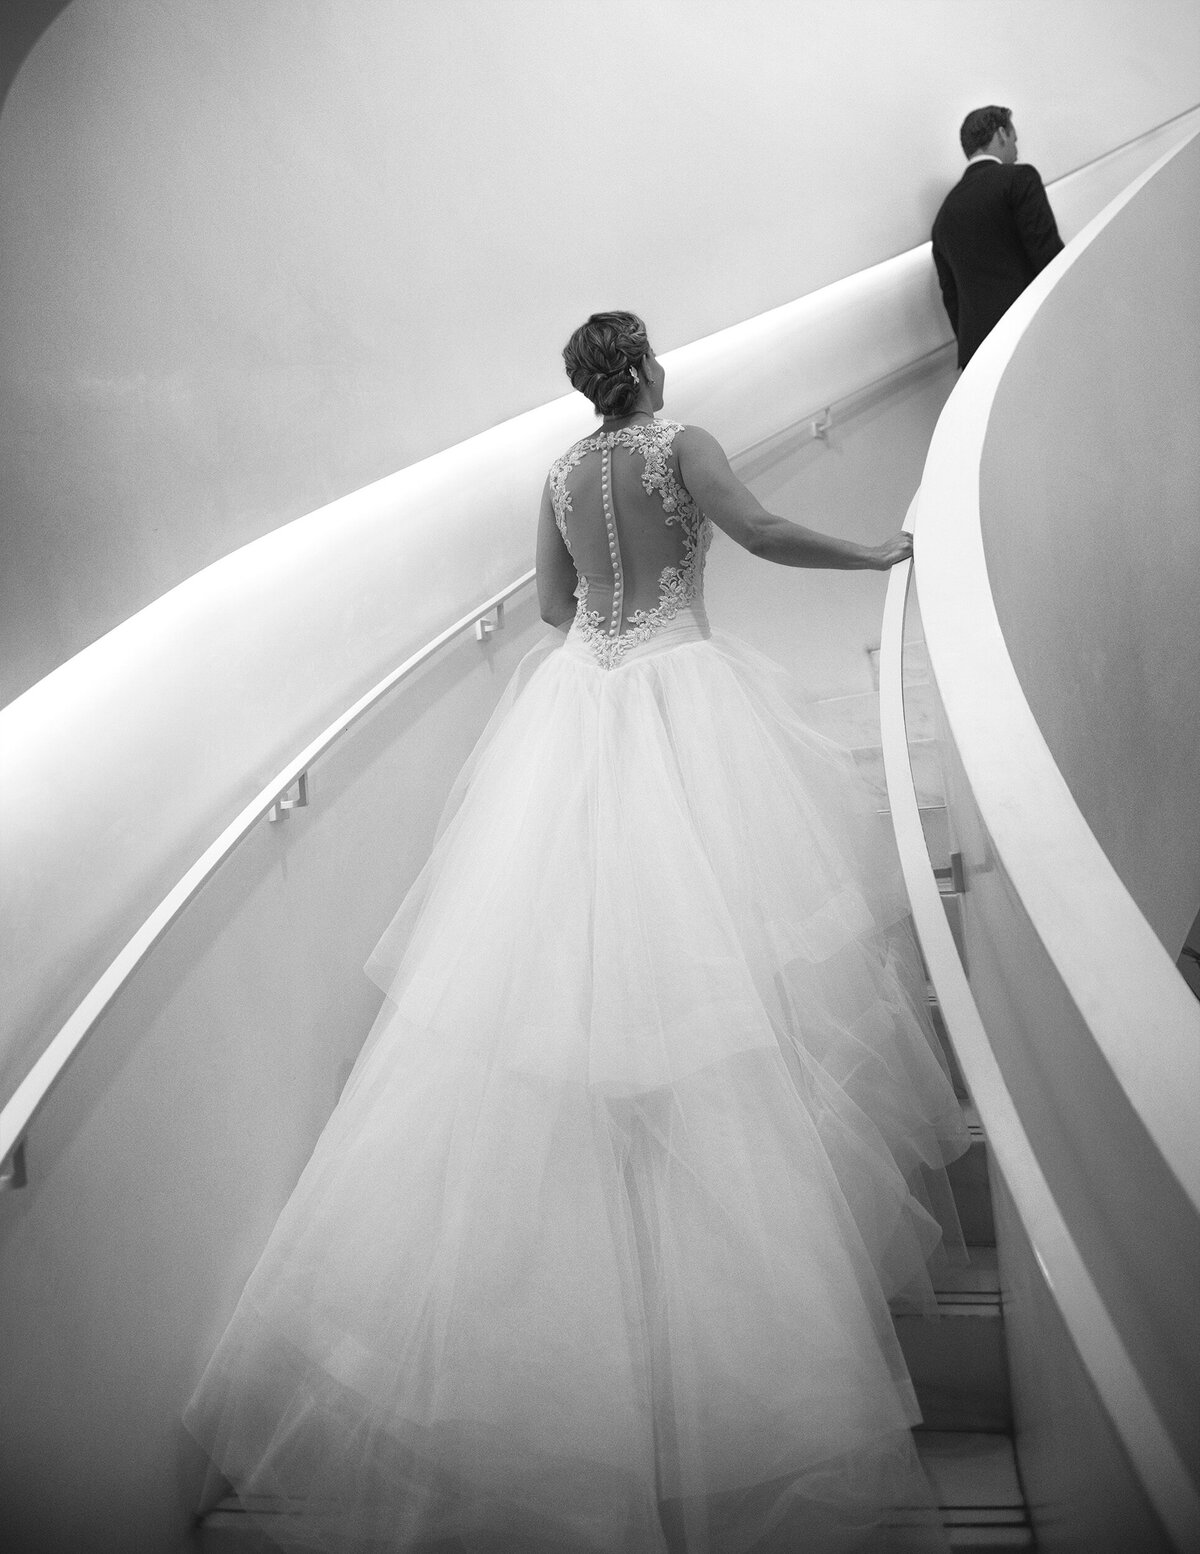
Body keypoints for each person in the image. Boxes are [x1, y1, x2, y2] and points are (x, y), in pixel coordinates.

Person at [184, 311, 969, 1553]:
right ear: (648, 368)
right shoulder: (683, 444)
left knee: (562, 987)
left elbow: (555, 609)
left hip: (580, 711)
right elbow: (758, 530)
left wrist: (615, 609)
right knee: (726, 973)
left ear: (579, 385)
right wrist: (875, 552)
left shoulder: (558, 474)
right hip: (683, 699)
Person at [932, 105, 1064, 368]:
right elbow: (1048, 257)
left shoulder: (943, 217)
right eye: (1014, 141)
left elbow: (952, 299)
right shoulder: (1018, 179)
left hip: (980, 361)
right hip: (1031, 338)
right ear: (1001, 134)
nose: (1016, 153)